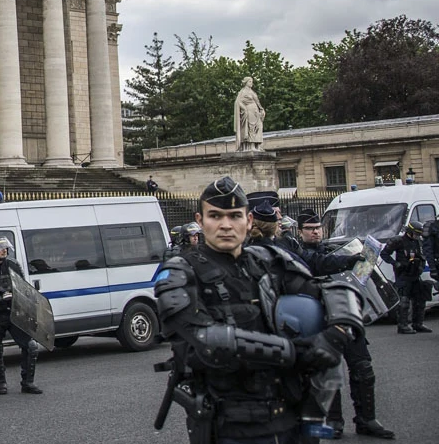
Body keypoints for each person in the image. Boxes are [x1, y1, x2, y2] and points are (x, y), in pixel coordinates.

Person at [155, 177, 363, 443]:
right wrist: (296, 351)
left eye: (234, 216)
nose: (226, 225)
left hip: (290, 412)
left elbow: (335, 291)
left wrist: (339, 329)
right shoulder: (179, 272)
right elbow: (208, 340)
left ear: (249, 220)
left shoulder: (269, 261)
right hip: (230, 421)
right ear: (200, 219)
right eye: (215, 216)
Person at [297, 212, 394, 439]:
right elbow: (320, 264)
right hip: (321, 318)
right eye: (310, 228)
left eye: (318, 227)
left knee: (363, 368)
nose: (316, 232)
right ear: (300, 231)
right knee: (329, 370)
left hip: (347, 315)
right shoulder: (299, 254)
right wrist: (348, 260)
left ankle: (367, 420)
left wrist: (361, 259)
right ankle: (333, 421)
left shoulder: (329, 248)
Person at [0, 235, 42, 396]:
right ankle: (0, 382)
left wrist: (28, 311)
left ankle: (28, 382)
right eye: (0, 248)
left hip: (14, 313)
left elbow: (24, 289)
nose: (4, 250)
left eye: (5, 248)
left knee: (31, 346)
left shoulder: (13, 265)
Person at [381, 219, 432, 334]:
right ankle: (402, 325)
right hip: (403, 275)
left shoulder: (418, 241)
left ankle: (418, 324)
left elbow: (423, 255)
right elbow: (384, 254)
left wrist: (420, 266)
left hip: (415, 274)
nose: (417, 236)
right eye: (416, 233)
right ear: (409, 231)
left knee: (420, 299)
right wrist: (395, 263)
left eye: (419, 234)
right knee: (404, 301)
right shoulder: (399, 241)